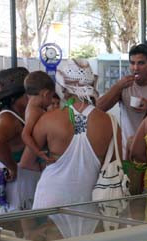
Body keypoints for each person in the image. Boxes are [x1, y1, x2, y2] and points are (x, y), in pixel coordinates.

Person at [31, 59, 122, 209]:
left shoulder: (48, 119)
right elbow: (116, 163)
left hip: (51, 196)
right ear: (92, 85)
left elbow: (27, 162)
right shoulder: (110, 123)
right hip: (91, 200)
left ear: (63, 88)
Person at [97, 44, 147, 156]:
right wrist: (117, 87)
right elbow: (98, 108)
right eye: (132, 63)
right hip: (128, 151)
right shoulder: (124, 86)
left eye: (141, 63)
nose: (136, 68)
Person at [0, 67, 41, 213]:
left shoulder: (19, 115)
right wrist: (11, 166)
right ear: (21, 96)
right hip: (14, 190)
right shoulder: (8, 119)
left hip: (22, 187)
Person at [21, 71, 57, 164]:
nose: (51, 101)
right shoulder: (35, 111)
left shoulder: (33, 106)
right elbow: (25, 134)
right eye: (51, 97)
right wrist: (37, 152)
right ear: (45, 94)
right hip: (36, 153)